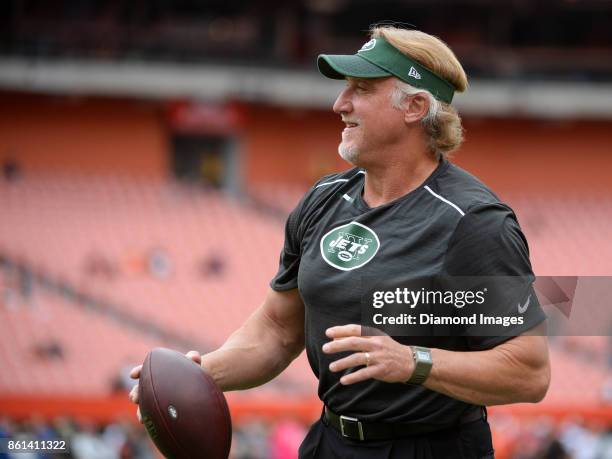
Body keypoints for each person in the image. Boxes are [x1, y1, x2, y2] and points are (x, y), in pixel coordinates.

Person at [129, 25, 550, 458]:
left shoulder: (474, 223)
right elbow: (277, 331)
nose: (339, 104)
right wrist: (198, 375)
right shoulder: (323, 198)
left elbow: (529, 372)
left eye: (361, 90)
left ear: (416, 107)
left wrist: (412, 363)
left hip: (432, 448)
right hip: (330, 442)